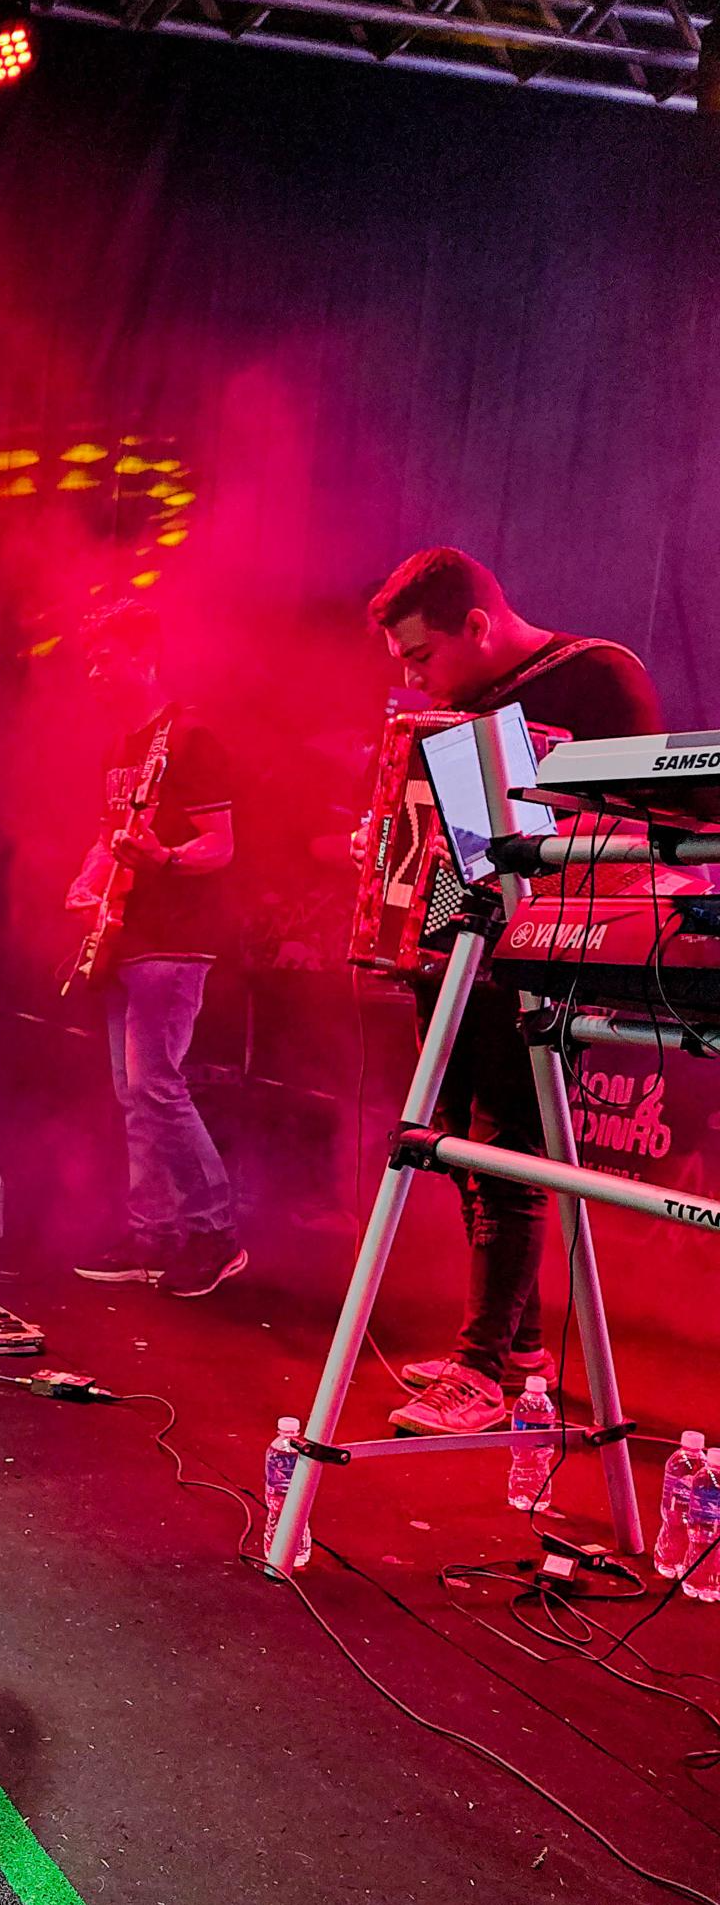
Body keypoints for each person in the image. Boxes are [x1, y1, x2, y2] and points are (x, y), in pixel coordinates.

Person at [365, 546, 663, 1434]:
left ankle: (481, 1368)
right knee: (463, 1145)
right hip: (457, 947)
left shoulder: (597, 677)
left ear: (477, 624)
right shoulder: (460, 708)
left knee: (510, 1149)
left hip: (542, 952)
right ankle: (520, 1348)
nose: (414, 679)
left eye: (422, 656)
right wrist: (391, 848)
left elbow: (641, 823)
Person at [66, 601, 244, 1299]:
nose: (93, 672)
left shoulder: (192, 738)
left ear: (144, 657)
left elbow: (221, 846)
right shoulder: (123, 747)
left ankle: (214, 1233)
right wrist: (87, 879)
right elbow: (107, 834)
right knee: (134, 1095)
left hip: (175, 941)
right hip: (126, 935)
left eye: (105, 657)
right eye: (89, 659)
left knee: (155, 1088)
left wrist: (165, 859)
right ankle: (154, 1235)